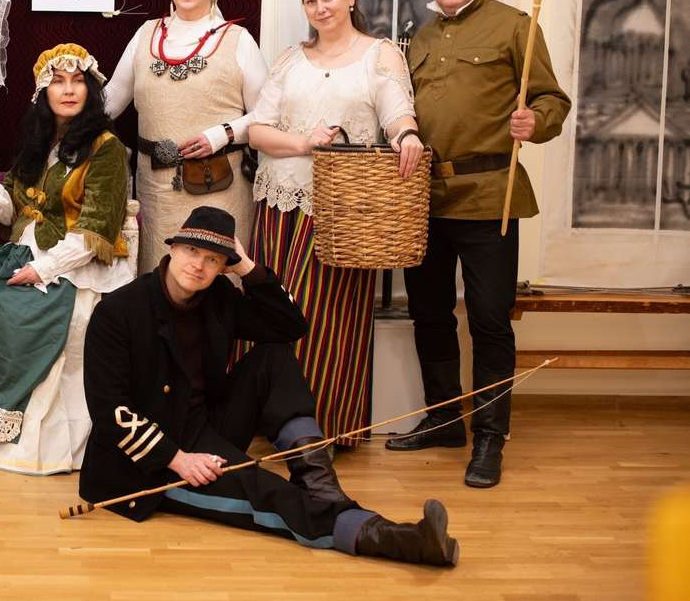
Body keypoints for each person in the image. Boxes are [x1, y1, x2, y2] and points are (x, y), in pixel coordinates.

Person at [77, 206, 459, 566]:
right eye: (192, 251)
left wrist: (247, 268)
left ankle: (320, 484)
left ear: (223, 267)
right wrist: (179, 459)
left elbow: (289, 326)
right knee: (266, 491)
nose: (199, 264)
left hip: (206, 425)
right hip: (151, 464)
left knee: (274, 357)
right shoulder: (119, 311)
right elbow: (111, 412)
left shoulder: (217, 295)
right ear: (173, 248)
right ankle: (397, 540)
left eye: (213, 259)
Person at [387, 0, 570, 488]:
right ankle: (445, 420)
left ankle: (491, 436)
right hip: (425, 197)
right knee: (429, 313)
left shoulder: (516, 26)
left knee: (489, 320)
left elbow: (552, 99)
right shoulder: (417, 39)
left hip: (491, 195)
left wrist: (536, 121)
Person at [246, 0, 423, 446]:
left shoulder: (380, 55)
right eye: (310, 1)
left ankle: (323, 428)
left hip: (341, 213)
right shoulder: (290, 59)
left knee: (328, 322)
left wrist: (407, 136)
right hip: (280, 207)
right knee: (271, 313)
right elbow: (258, 131)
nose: (320, 8)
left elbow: (397, 114)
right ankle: (270, 422)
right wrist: (304, 143)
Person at [0, 44, 134, 475]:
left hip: (75, 264)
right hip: (28, 250)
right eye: (57, 82)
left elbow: (96, 231)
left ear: (90, 90)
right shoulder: (41, 141)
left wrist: (42, 269)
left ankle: (31, 443)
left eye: (77, 81)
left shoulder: (105, 149)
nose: (68, 90)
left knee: (22, 316)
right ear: (43, 91)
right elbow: (17, 204)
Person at [106, 0, 267, 274]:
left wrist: (221, 135)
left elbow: (267, 115)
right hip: (156, 189)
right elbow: (110, 102)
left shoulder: (239, 40)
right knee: (159, 275)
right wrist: (64, 97)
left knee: (213, 277)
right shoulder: (146, 35)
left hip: (219, 184)